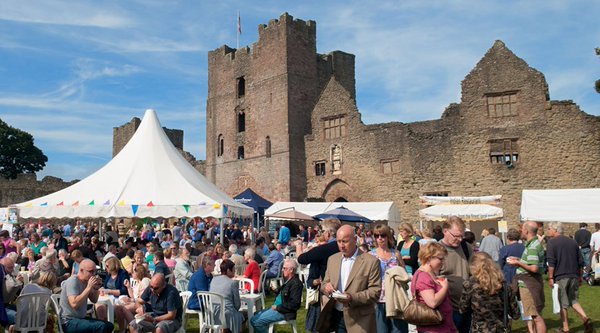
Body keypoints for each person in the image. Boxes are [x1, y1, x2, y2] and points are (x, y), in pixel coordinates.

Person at [322, 224, 381, 333]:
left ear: (355, 240)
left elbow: (375, 292)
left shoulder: (371, 262)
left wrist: (351, 298)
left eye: (344, 241)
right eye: (338, 241)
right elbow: (324, 283)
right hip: (337, 316)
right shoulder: (332, 259)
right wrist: (326, 287)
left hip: (361, 320)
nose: (341, 245)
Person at [546, 222, 593, 333]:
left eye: (549, 229)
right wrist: (581, 276)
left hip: (561, 276)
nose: (548, 231)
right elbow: (580, 261)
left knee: (563, 303)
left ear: (555, 230)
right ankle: (585, 318)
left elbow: (551, 263)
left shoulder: (552, 242)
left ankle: (565, 328)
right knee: (573, 300)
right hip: (574, 275)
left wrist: (550, 277)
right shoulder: (573, 242)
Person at [298, 218, 341, 332]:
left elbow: (302, 259)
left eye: (322, 231)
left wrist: (298, 246)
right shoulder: (343, 247)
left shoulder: (325, 249)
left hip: (326, 290)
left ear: (327, 233)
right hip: (341, 289)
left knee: (322, 324)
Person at [460, 251, 518, 332]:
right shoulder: (504, 286)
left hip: (480, 329)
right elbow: (515, 314)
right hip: (501, 329)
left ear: (473, 267)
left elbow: (463, 309)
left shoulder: (470, 285)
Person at [507, 221, 546, 333]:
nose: (521, 231)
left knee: (536, 316)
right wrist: (520, 260)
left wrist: (518, 263)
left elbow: (534, 268)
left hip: (529, 285)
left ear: (527, 231)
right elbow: (533, 264)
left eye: (522, 229)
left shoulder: (533, 246)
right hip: (532, 283)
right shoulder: (534, 244)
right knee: (537, 315)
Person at [369, 223, 408, 333]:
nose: (380, 238)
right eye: (376, 236)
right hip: (379, 299)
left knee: (399, 330)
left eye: (383, 235)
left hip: (396, 298)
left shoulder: (396, 254)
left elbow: (404, 273)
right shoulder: (370, 255)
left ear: (388, 236)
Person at [438, 216, 473, 333]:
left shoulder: (466, 247)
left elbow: (474, 271)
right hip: (447, 308)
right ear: (445, 231)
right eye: (456, 236)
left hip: (467, 307)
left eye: (461, 236)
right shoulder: (436, 250)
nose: (459, 239)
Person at [59, 259, 114, 333]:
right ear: (81, 270)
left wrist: (96, 288)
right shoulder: (73, 281)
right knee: (101, 326)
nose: (94, 274)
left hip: (80, 319)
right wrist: (89, 287)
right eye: (91, 271)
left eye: (95, 271)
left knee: (109, 325)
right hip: (68, 321)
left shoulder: (86, 281)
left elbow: (94, 300)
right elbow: (74, 304)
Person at [411, 242, 456, 333]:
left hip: (442, 327)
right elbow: (432, 302)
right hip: (432, 329)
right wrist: (444, 287)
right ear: (429, 258)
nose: (443, 262)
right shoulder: (423, 277)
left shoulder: (429, 274)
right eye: (440, 259)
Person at [250, 259, 303, 333]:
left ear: (291, 270)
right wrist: (275, 290)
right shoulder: (289, 280)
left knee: (255, 321)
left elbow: (295, 304)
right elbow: (284, 295)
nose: (282, 270)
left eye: (284, 268)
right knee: (256, 314)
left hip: (284, 312)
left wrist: (278, 307)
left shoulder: (296, 284)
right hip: (278, 309)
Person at [209, 259, 244, 333]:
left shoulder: (213, 280)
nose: (235, 272)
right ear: (228, 270)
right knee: (241, 315)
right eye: (234, 270)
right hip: (226, 313)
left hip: (212, 312)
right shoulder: (233, 283)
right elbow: (237, 306)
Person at [98, 257, 132, 333]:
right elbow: (105, 285)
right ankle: (105, 328)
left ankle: (122, 329)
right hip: (109, 297)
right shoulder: (109, 274)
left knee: (118, 307)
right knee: (100, 307)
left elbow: (124, 290)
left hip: (120, 297)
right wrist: (102, 289)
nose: (106, 268)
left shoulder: (123, 273)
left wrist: (110, 291)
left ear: (112, 265)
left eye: (107, 266)